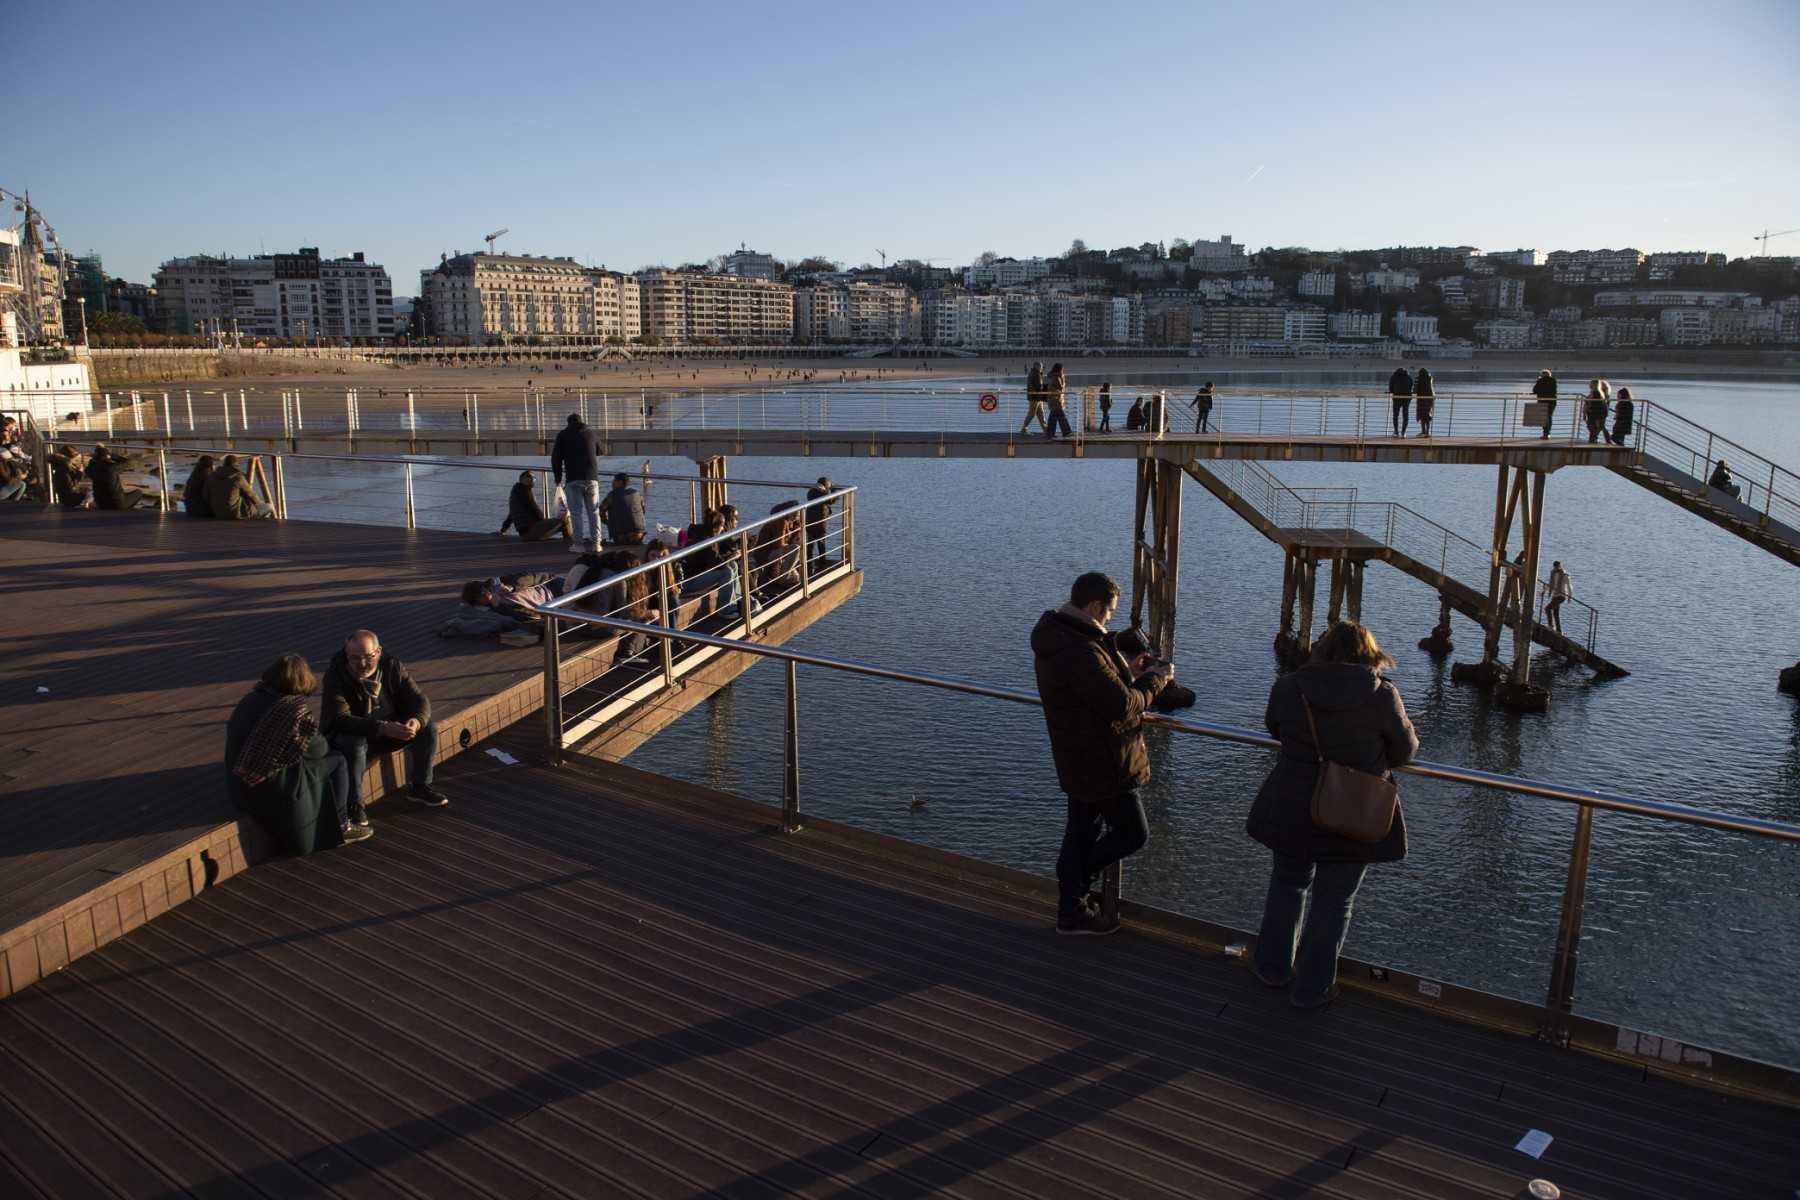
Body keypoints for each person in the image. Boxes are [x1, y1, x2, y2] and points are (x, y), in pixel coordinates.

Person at [1247, 621, 1416, 1009]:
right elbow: (1405, 751)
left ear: (1320, 651)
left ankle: (1272, 969)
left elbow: (1274, 727)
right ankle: (1311, 989)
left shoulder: (1290, 687)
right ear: (1368, 654)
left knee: (1288, 885)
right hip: (1354, 811)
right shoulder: (1382, 695)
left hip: (1292, 805)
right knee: (1335, 900)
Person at [1030, 572, 1173, 937]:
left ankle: (1072, 909)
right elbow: (1122, 707)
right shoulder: (1079, 649)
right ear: (1093, 606)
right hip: (1104, 759)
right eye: (1109, 611)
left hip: (1078, 753)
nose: (1111, 617)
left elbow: (1097, 687)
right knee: (1132, 833)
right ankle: (1075, 891)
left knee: (1080, 832)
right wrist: (1156, 680)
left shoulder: (1063, 635)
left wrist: (1130, 671)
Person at [224, 653, 362, 854]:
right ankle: (342, 824)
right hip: (270, 786)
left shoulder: (248, 700)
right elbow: (318, 749)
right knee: (337, 760)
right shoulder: (293, 711)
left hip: (239, 784)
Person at [321, 629, 448, 818]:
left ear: (378, 651)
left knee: (428, 728)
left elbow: (419, 699)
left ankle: (419, 786)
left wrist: (415, 721)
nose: (362, 663)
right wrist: (382, 727)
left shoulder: (391, 666)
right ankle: (354, 806)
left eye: (368, 657)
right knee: (353, 745)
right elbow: (340, 719)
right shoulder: (335, 676)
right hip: (356, 734)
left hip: (389, 730)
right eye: (355, 658)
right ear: (346, 654)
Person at [551, 413, 603, 553]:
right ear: (582, 422)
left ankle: (579, 545)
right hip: (592, 478)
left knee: (576, 513)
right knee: (594, 512)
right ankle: (597, 544)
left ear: (568, 423)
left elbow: (556, 459)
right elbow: (601, 450)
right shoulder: (591, 433)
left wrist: (557, 477)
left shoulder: (563, 435)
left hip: (573, 479)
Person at [499, 470, 571, 542]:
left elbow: (511, 514)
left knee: (559, 522)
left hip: (524, 534)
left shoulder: (515, 491)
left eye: (533, 478)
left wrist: (503, 529)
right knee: (565, 521)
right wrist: (545, 522)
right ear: (522, 479)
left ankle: (568, 540)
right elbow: (535, 509)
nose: (532, 479)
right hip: (531, 531)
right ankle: (569, 543)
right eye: (529, 477)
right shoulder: (525, 491)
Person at [205, 454, 271, 520]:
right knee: (268, 507)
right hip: (234, 514)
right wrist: (261, 505)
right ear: (236, 465)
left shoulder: (212, 476)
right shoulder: (238, 477)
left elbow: (205, 496)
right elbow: (251, 496)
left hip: (217, 513)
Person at [86, 446, 150, 511]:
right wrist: (114, 456)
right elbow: (130, 462)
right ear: (107, 456)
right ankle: (126, 512)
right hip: (117, 504)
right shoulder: (112, 468)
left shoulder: (91, 469)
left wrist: (94, 459)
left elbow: (89, 466)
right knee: (138, 492)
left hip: (101, 504)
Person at [598, 472, 647, 546]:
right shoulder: (636, 493)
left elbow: (600, 512)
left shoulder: (611, 495)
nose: (612, 483)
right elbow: (643, 510)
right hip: (639, 535)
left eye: (614, 481)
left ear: (620, 482)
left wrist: (608, 522)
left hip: (620, 536)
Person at [804, 476, 835, 570]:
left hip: (809, 521)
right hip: (820, 523)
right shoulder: (823, 493)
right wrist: (834, 491)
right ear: (826, 485)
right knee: (821, 543)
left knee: (810, 545)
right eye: (829, 485)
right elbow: (830, 500)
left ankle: (809, 565)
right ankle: (822, 563)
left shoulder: (811, 492)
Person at [1044, 363, 1073, 439]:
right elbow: (1061, 388)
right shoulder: (1056, 378)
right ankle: (1066, 432)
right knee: (1061, 417)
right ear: (1059, 370)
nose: (1063, 371)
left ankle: (1050, 433)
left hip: (1053, 400)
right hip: (1056, 400)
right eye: (1062, 369)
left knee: (1053, 417)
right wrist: (1062, 378)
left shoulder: (1051, 376)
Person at [1019, 361, 1047, 435]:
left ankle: (1046, 430)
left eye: (1042, 366)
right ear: (1036, 366)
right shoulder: (1036, 374)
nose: (1042, 368)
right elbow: (1038, 386)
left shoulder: (1033, 373)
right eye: (1041, 366)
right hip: (1035, 397)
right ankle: (1024, 429)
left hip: (1036, 397)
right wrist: (1046, 388)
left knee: (1041, 413)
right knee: (1032, 413)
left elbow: (1034, 385)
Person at [1545, 561, 1572, 633]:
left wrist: (1569, 596)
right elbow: (1550, 584)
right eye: (1555, 566)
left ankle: (1551, 626)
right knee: (1555, 613)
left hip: (1561, 596)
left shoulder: (1565, 575)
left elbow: (1569, 587)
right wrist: (1544, 591)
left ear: (1560, 566)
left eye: (1557, 566)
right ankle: (1559, 631)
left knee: (1547, 608)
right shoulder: (1553, 573)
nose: (1556, 568)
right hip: (1555, 595)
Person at [1532, 369, 1558, 439]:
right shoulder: (1553, 380)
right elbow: (1554, 391)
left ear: (1542, 374)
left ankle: (1545, 433)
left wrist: (1538, 381)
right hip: (1552, 401)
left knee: (1544, 418)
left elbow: (1534, 391)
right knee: (1549, 417)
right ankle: (1548, 433)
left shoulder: (1540, 381)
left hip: (1542, 401)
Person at [1387, 366, 1412, 437]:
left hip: (1397, 398)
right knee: (1405, 416)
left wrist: (1393, 391)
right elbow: (1411, 386)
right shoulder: (1408, 377)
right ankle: (1403, 433)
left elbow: (1391, 388)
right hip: (1406, 398)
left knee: (1395, 415)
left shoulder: (1394, 376)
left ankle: (1396, 432)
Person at [1584, 379, 1611, 444]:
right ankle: (1593, 440)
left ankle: (1592, 441)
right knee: (1595, 428)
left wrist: (1586, 411)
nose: (1589, 385)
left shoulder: (1595, 393)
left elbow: (1590, 403)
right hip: (1598, 413)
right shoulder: (1600, 393)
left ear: (1593, 385)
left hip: (1594, 413)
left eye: (1590, 384)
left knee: (1592, 427)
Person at [1412, 368, 1436, 437]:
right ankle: (1427, 433)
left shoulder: (1418, 378)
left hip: (1421, 399)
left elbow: (1415, 390)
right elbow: (1431, 388)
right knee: (1427, 416)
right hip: (1430, 399)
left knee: (1422, 416)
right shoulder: (1430, 378)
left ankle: (1423, 431)